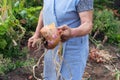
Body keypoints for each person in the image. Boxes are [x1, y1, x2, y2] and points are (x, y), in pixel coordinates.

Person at [28, 0, 93, 80]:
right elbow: (45, 9)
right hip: (52, 48)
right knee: (50, 76)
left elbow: (87, 24)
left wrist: (72, 32)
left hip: (72, 51)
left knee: (68, 77)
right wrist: (36, 34)